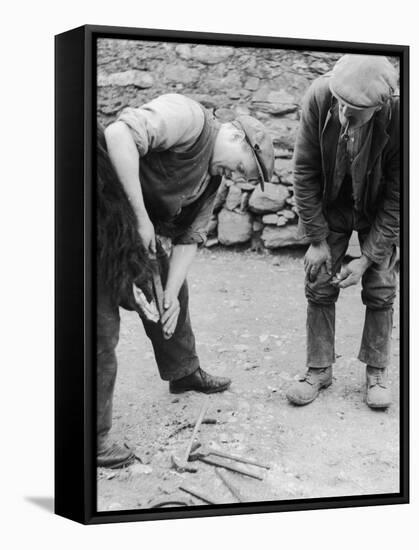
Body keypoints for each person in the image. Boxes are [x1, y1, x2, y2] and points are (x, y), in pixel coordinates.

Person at [97, 93, 274, 468]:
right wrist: (140, 216)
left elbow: (190, 236)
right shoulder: (189, 117)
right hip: (96, 208)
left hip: (132, 230)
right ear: (237, 138)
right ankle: (93, 437)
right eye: (245, 169)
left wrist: (172, 294)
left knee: (173, 294)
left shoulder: (212, 181)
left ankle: (183, 373)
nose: (239, 177)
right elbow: (117, 135)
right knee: (99, 325)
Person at [286, 55, 399, 410]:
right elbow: (304, 171)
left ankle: (376, 373)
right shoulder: (320, 96)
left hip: (377, 203)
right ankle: (319, 369)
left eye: (356, 111)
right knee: (318, 279)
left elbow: (400, 195)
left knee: (381, 284)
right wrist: (317, 241)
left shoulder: (401, 115)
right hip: (332, 202)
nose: (344, 115)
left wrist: (366, 260)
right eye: (342, 105)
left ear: (380, 106)